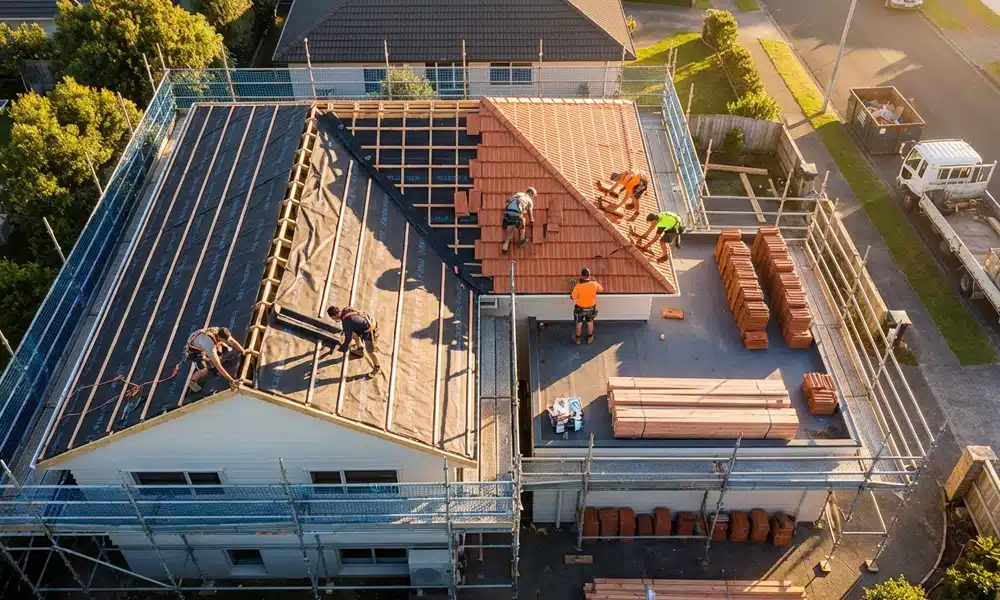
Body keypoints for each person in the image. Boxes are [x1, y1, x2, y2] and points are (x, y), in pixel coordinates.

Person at [186, 327, 245, 392]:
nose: (226, 342)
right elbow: (218, 366)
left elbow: (232, 341)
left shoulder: (219, 331)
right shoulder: (210, 345)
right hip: (194, 351)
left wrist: (243, 351)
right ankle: (192, 381)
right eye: (224, 340)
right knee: (205, 369)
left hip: (199, 338)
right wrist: (231, 380)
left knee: (221, 351)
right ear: (219, 337)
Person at [327, 305, 381, 377]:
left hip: (370, 332)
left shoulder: (346, 322)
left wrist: (343, 347)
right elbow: (352, 309)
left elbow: (348, 339)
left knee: (371, 352)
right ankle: (360, 349)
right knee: (353, 333)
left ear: (336, 315)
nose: (334, 320)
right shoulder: (346, 309)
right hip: (369, 322)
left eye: (333, 318)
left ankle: (377, 369)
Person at [570, 268, 603, 344]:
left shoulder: (578, 287)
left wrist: (573, 289)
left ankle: (578, 339)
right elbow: (601, 289)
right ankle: (590, 338)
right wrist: (595, 281)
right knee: (590, 322)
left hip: (580, 309)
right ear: (589, 275)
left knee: (579, 323)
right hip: (591, 309)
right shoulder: (594, 284)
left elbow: (572, 297)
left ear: (581, 275)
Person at [501, 187, 536, 253]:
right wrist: (532, 220)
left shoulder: (518, 194)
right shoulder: (529, 201)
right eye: (533, 195)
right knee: (523, 219)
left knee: (510, 232)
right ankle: (522, 240)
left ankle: (505, 247)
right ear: (531, 193)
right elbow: (530, 215)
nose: (533, 197)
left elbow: (510, 202)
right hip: (516, 215)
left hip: (507, 214)